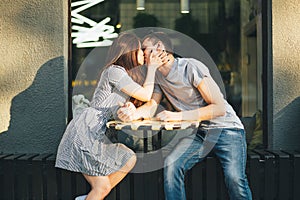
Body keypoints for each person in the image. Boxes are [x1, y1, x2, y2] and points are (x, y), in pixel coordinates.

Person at [117, 31, 252, 200]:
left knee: (234, 178)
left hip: (227, 130)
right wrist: (132, 113)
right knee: (171, 164)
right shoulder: (157, 76)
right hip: (199, 133)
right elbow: (151, 105)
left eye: (145, 48)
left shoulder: (190, 67)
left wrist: (177, 117)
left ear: (159, 47)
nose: (142, 52)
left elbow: (218, 108)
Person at [55, 32, 168, 200]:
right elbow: (145, 94)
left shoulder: (123, 75)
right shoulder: (114, 71)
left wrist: (127, 108)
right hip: (87, 132)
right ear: (129, 52)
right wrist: (151, 69)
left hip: (97, 131)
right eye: (139, 50)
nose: (144, 54)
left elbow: (116, 106)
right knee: (102, 188)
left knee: (127, 159)